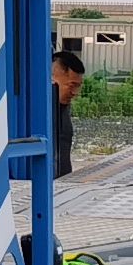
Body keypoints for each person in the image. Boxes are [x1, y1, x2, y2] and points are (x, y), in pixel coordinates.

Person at [52, 44, 84, 178]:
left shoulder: (64, 107)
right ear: (52, 78)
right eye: (71, 85)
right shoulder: (35, 114)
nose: (75, 93)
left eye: (78, 86)